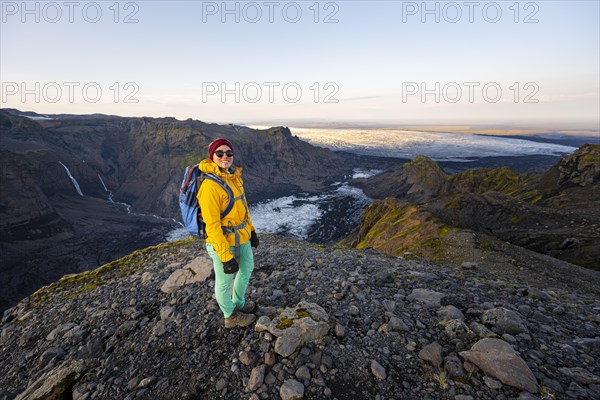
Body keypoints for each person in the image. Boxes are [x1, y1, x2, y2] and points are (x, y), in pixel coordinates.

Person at [198, 138, 260, 329]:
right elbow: (213, 227)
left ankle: (239, 303)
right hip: (222, 242)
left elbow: (243, 206)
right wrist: (225, 257)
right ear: (212, 156)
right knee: (224, 281)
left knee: (247, 268)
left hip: (241, 236)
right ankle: (230, 315)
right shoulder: (210, 187)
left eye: (229, 153)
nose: (225, 156)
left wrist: (252, 231)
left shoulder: (234, 177)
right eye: (220, 153)